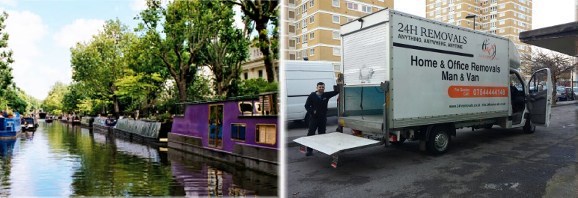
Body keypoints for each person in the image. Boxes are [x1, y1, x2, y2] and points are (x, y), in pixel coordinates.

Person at [303, 82, 339, 156]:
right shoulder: (312, 95)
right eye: (320, 87)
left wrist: (338, 85)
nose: (321, 88)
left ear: (324, 88)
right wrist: (312, 112)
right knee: (311, 133)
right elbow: (306, 106)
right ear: (317, 88)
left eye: (323, 87)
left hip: (322, 118)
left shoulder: (326, 95)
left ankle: (321, 149)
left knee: (322, 134)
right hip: (314, 118)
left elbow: (336, 92)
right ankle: (309, 150)